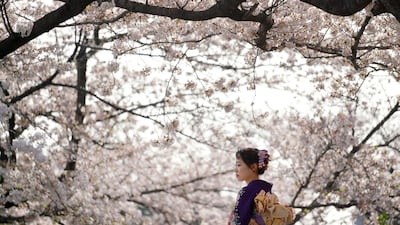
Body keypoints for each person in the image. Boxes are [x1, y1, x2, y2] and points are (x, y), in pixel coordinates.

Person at [228, 148, 272, 225]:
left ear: (253, 167)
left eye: (239, 165)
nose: (235, 170)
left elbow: (240, 221)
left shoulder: (248, 191)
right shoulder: (267, 191)